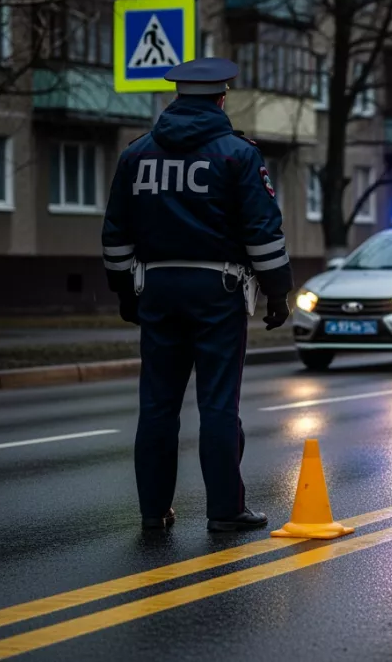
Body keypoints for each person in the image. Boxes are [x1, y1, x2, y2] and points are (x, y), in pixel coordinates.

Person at [101, 58, 292, 532]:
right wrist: (278, 293)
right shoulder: (237, 155)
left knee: (158, 405)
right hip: (217, 291)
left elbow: (115, 235)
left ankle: (153, 511)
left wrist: (125, 293)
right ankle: (225, 510)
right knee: (218, 405)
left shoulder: (136, 155)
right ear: (221, 98)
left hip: (157, 290)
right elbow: (263, 234)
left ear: (178, 98)